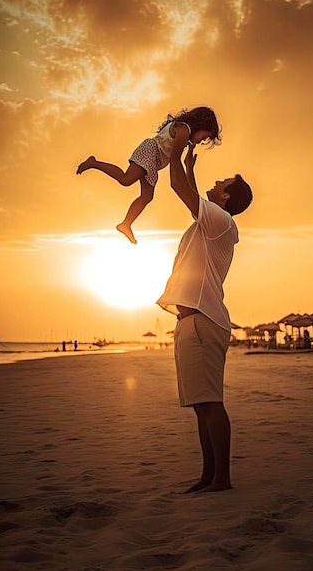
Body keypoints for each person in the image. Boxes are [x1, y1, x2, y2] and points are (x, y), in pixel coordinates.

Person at [157, 134, 253, 493]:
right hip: (189, 322)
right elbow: (187, 191)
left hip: (203, 320)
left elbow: (181, 190)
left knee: (211, 402)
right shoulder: (208, 222)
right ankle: (208, 476)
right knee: (201, 404)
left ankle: (222, 479)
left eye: (221, 183)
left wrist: (179, 146)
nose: (216, 183)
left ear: (226, 197)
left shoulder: (222, 223)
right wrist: (186, 165)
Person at [76, 107, 221, 244]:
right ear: (201, 125)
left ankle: (126, 224)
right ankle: (94, 163)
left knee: (147, 196)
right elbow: (174, 160)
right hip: (150, 152)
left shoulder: (183, 130)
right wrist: (182, 182)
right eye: (204, 137)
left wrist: (188, 159)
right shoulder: (184, 130)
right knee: (126, 179)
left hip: (154, 161)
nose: (201, 141)